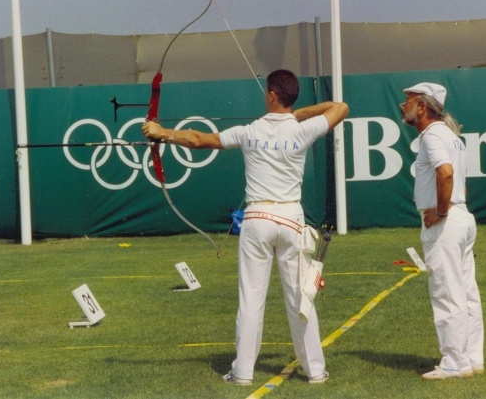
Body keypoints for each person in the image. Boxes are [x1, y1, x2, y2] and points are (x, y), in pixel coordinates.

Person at [142, 69, 349, 386]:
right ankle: (316, 372)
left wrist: (161, 132)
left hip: (258, 221)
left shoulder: (250, 130)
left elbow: (198, 140)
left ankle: (243, 373)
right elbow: (341, 107)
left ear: (271, 95)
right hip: (290, 221)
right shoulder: (302, 131)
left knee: (252, 299)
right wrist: (295, 116)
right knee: (299, 299)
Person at [400, 82, 484, 380]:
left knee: (447, 292)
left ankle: (453, 362)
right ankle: (471, 358)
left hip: (446, 223)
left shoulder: (433, 135)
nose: (403, 106)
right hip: (462, 219)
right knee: (465, 290)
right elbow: (456, 177)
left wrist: (441, 210)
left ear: (422, 106)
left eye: (408, 101)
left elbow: (445, 173)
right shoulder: (449, 135)